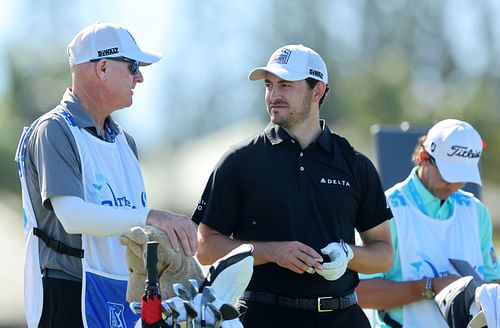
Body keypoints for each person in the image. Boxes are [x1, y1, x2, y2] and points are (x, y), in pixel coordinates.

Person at [192, 44, 394, 328]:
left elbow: (384, 254)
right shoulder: (239, 160)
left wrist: (349, 255)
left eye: (285, 85)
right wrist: (273, 252)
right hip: (262, 317)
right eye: (269, 85)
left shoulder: (355, 165)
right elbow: (206, 247)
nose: (274, 95)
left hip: (343, 318)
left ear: (318, 90)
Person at [14, 22, 197, 328]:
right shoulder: (55, 129)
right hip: (68, 291)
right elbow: (72, 216)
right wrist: (154, 217)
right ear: (102, 69)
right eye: (133, 66)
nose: (139, 77)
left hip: (121, 292)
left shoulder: (126, 142)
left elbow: (130, 226)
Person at [357, 119, 500, 327]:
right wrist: (430, 288)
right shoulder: (386, 207)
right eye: (447, 175)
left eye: (461, 177)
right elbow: (360, 292)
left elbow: (492, 280)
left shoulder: (475, 210)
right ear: (424, 157)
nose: (453, 185)